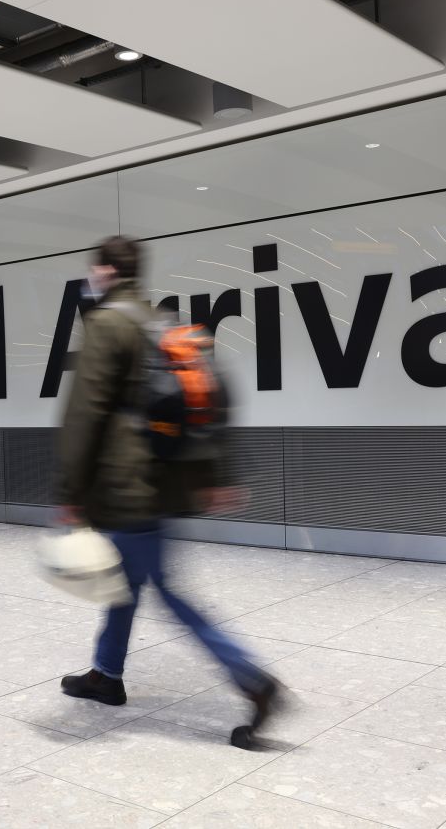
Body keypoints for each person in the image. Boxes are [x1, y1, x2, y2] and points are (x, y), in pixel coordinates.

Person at [56, 235, 281, 749]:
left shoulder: (109, 323)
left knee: (165, 589)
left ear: (106, 272)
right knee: (126, 581)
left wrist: (69, 488)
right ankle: (105, 674)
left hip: (124, 484)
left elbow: (84, 413)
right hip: (163, 481)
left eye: (94, 271)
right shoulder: (162, 323)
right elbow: (211, 397)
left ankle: (252, 679)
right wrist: (215, 475)